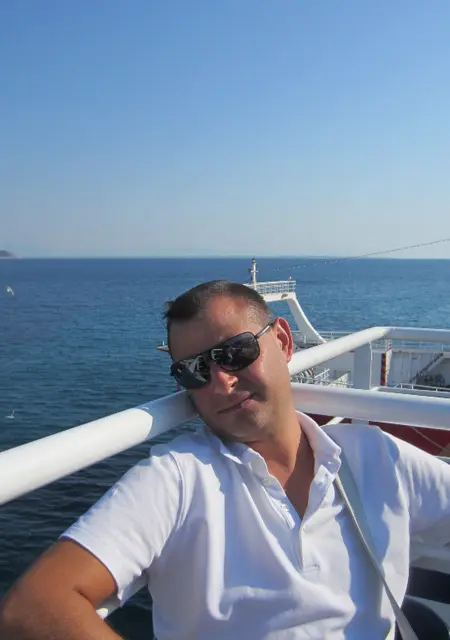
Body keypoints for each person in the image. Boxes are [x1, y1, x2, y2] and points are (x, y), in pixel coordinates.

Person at [1, 280, 450, 639]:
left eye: (235, 353)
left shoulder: (375, 456)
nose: (221, 383)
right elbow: (34, 606)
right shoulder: (177, 479)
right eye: (194, 370)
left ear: (283, 341)